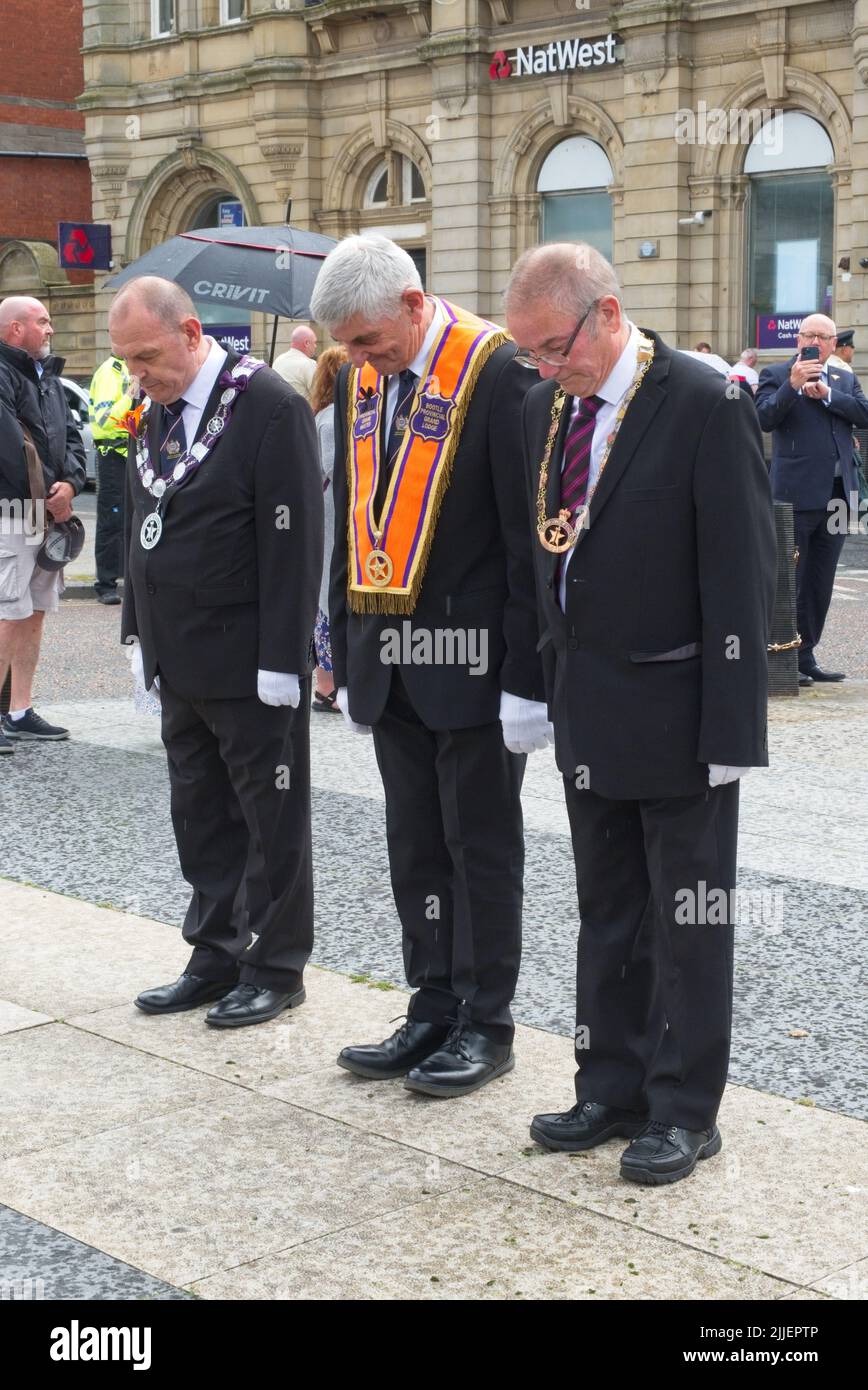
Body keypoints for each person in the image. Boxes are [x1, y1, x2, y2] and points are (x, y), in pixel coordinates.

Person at [504, 243, 775, 1186]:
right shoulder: (546, 409)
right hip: (588, 706)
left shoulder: (704, 401)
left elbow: (742, 576)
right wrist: (531, 689)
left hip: (681, 708)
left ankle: (685, 1109)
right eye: (528, 353)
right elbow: (537, 561)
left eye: (552, 346)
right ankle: (608, 1084)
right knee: (608, 911)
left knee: (689, 917)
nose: (542, 367)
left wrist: (735, 734)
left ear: (607, 313)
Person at [310, 235, 548, 1097]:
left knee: (477, 846)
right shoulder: (370, 374)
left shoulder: (501, 372)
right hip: (389, 661)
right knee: (414, 844)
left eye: (369, 342)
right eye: (349, 349)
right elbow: (350, 524)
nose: (358, 361)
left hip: (477, 667)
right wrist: (335, 646)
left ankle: (487, 1022)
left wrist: (529, 676)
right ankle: (432, 1002)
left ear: (413, 306)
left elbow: (528, 544)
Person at [111, 276, 323, 1027]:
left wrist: (283, 657)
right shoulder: (155, 411)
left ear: (191, 331)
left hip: (247, 658)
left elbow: (295, 542)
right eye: (128, 360)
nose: (138, 373)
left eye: (146, 355)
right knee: (199, 812)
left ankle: (275, 963)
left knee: (269, 820)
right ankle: (213, 951)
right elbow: (141, 522)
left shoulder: (269, 405)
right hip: (178, 656)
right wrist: (137, 630)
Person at [756, 313, 868, 685]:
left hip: (837, 497)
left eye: (824, 337)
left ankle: (807, 656)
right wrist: (792, 386)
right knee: (790, 579)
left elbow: (864, 415)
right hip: (794, 495)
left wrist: (830, 397)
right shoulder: (776, 374)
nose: (817, 342)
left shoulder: (843, 378)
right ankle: (781, 656)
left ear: (834, 344)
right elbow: (762, 419)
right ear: (798, 339)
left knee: (821, 580)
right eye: (810, 335)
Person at [0, 296, 86, 753]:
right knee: (6, 614)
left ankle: (19, 711)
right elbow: (9, 448)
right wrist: (49, 499)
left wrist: (70, 485)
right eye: (42, 321)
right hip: (12, 511)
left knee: (33, 614)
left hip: (44, 513)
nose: (50, 329)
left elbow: (70, 437)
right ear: (15, 330)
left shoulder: (49, 378)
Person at [309, 345, 347, 713]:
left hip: (330, 520)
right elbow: (333, 469)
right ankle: (327, 684)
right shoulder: (332, 418)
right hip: (331, 519)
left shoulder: (323, 415)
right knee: (327, 600)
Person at [89, 352, 134, 605]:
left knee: (131, 519)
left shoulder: (129, 370)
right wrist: (130, 395)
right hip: (112, 455)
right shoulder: (110, 372)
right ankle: (105, 584)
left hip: (129, 452)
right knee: (111, 520)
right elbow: (105, 421)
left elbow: (132, 419)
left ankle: (127, 578)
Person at [272, 325, 318, 401]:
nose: (315, 346)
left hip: (279, 410)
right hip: (302, 411)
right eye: (314, 342)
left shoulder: (278, 361)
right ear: (306, 343)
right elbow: (319, 396)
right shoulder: (309, 364)